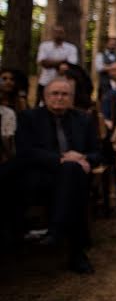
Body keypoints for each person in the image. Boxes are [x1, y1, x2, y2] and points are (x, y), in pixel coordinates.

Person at [13, 78, 100, 273]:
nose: (60, 98)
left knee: (72, 173)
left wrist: (83, 156)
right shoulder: (29, 118)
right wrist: (61, 158)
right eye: (55, 93)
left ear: (71, 98)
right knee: (72, 177)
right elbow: (26, 151)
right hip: (41, 176)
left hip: (74, 177)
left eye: (65, 94)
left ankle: (57, 231)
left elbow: (98, 154)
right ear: (45, 96)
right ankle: (77, 251)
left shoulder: (83, 120)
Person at [36, 25, 79, 103]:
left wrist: (51, 62)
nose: (58, 34)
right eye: (56, 32)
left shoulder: (71, 48)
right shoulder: (45, 46)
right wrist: (62, 62)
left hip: (63, 84)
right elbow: (43, 62)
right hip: (45, 81)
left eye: (60, 32)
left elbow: (71, 65)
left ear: (64, 34)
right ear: (52, 33)